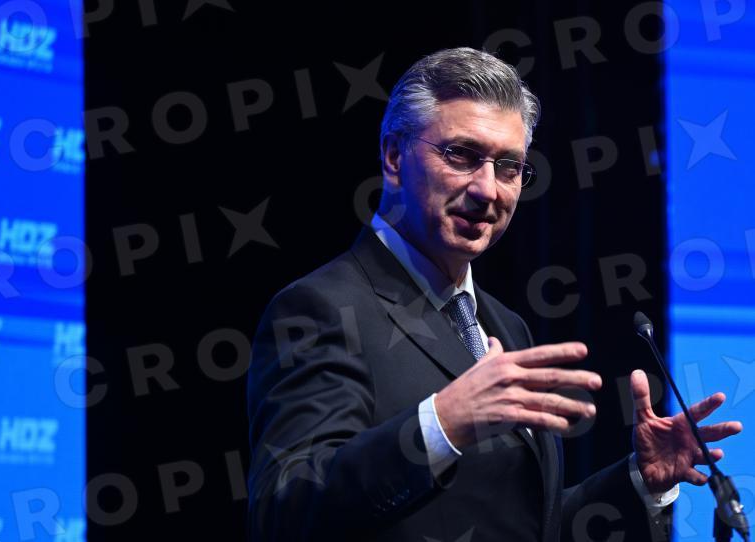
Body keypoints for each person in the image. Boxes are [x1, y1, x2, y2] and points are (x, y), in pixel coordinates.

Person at [245, 47, 742, 542]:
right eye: (461, 155)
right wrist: (442, 423)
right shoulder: (320, 309)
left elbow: (519, 523)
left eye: (508, 167)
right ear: (394, 157)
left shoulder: (505, 326)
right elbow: (282, 512)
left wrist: (638, 481)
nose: (488, 189)